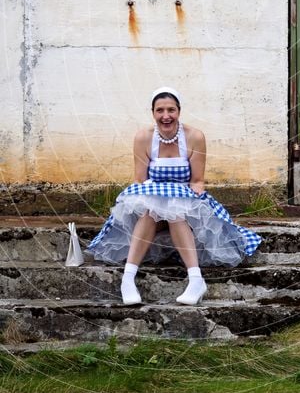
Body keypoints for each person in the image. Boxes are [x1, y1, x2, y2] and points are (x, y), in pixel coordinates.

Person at [88, 87, 262, 305]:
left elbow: (197, 181)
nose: (166, 116)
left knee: (175, 213)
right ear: (153, 113)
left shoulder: (194, 137)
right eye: (160, 110)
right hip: (153, 205)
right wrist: (158, 201)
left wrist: (184, 200)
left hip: (185, 207)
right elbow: (140, 181)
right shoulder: (143, 138)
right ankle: (128, 279)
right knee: (151, 212)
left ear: (179, 111)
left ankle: (196, 280)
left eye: (171, 110)